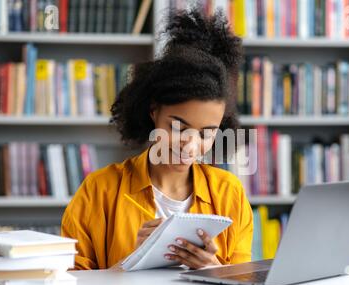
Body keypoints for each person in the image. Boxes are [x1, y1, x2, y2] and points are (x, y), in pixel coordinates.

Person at [61, 8, 253, 270]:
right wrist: (132, 262)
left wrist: (215, 271)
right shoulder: (99, 191)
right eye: (178, 127)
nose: (191, 145)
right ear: (154, 112)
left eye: (206, 133)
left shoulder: (229, 194)